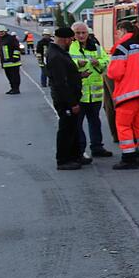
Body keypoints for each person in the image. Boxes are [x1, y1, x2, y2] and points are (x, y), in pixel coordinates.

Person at [108, 20, 139, 169]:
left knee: (123, 125)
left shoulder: (121, 48)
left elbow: (115, 73)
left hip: (128, 93)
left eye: (117, 32)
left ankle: (128, 158)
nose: (116, 35)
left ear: (122, 30)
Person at [70, 22, 113, 159]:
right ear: (73, 34)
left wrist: (98, 63)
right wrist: (77, 64)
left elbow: (107, 61)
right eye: (78, 33)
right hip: (79, 94)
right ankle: (80, 150)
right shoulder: (70, 47)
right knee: (77, 124)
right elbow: (65, 65)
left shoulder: (95, 46)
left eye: (84, 33)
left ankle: (97, 147)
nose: (81, 35)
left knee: (95, 121)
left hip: (94, 95)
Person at [44, 27, 84, 170]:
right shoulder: (55, 56)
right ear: (65, 39)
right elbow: (60, 83)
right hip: (65, 100)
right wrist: (72, 103)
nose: (71, 42)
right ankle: (63, 160)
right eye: (71, 39)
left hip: (68, 98)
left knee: (72, 128)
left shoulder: (60, 53)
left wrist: (79, 76)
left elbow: (67, 76)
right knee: (66, 130)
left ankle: (75, 156)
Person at [0, 27, 22, 94]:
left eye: (2, 31)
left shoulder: (11, 38)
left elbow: (17, 48)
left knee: (15, 76)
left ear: (5, 31)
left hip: (14, 62)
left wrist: (15, 58)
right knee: (9, 77)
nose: (0, 33)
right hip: (6, 63)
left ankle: (16, 89)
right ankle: (12, 88)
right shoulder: (0, 39)